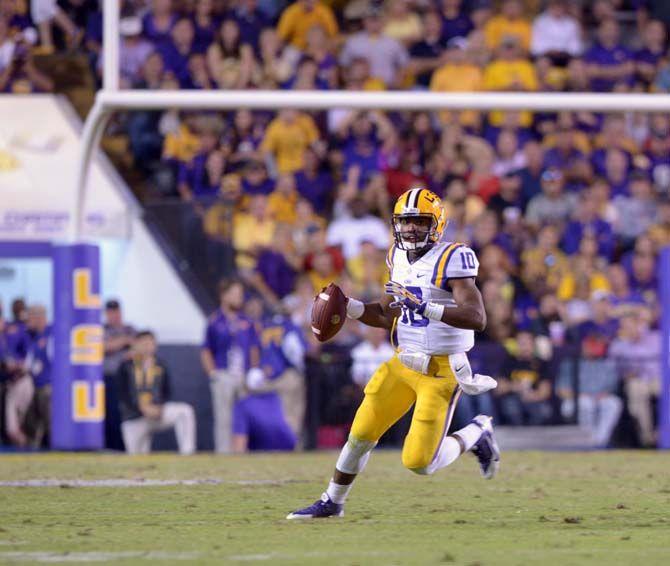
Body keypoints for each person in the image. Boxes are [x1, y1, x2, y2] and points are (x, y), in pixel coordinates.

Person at [288, 187, 499, 520]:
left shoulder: (453, 257)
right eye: (405, 222)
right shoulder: (397, 257)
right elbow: (388, 313)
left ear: (437, 224)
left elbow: (477, 318)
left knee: (419, 463)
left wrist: (426, 308)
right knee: (360, 434)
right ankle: (333, 501)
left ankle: (477, 431)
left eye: (419, 221)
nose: (411, 229)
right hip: (402, 361)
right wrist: (351, 308)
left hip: (441, 370)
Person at [201, 278, 260, 453]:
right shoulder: (214, 321)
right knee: (223, 417)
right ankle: (223, 453)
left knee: (243, 416)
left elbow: (253, 348)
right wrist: (212, 373)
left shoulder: (247, 321)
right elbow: (206, 350)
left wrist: (253, 371)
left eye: (240, 294)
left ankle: (241, 451)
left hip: (242, 374)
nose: (239, 298)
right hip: (223, 373)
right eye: (234, 294)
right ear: (223, 296)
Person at [117, 331, 196, 455]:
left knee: (184, 411)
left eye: (150, 343)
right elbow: (122, 394)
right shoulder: (126, 365)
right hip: (134, 418)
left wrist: (159, 407)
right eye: (144, 343)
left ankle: (187, 452)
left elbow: (167, 391)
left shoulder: (160, 364)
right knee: (136, 457)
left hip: (156, 413)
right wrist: (141, 408)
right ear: (136, 344)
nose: (147, 346)